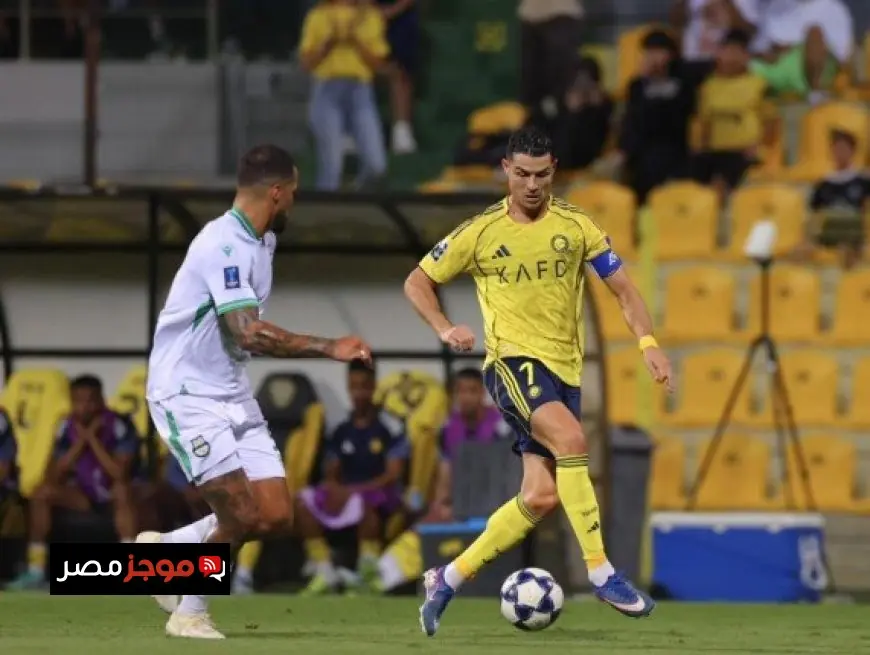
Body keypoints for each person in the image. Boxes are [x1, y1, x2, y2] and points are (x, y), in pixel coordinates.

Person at [403, 126, 674, 636]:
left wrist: (648, 343)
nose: (531, 185)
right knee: (572, 439)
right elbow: (417, 282)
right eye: (522, 174)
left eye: (542, 175)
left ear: (555, 173)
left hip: (563, 372)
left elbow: (624, 291)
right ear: (506, 169)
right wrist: (444, 327)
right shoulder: (478, 233)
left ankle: (448, 576)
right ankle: (602, 572)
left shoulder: (577, 226)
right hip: (511, 364)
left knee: (541, 497)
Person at [139, 144, 373, 639]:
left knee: (273, 514)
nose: (294, 203)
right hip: (186, 394)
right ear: (276, 192)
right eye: (293, 194)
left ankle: (167, 550)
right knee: (239, 512)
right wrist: (329, 346)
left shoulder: (262, 241)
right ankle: (190, 612)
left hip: (230, 390)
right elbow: (247, 332)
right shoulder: (222, 245)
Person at [9, 375, 140, 590]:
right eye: (78, 401)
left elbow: (118, 474)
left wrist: (92, 440)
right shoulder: (65, 426)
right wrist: (81, 441)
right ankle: (35, 570)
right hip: (83, 494)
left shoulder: (120, 424)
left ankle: (131, 570)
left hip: (116, 494)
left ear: (101, 400)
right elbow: (54, 474)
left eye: (90, 400)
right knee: (41, 492)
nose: (84, 407)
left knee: (122, 490)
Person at [296, 358, 409, 594]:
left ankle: (365, 577)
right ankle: (325, 571)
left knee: (365, 503)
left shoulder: (390, 425)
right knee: (302, 500)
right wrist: (333, 486)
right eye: (353, 387)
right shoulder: (340, 428)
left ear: (374, 386)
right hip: (348, 493)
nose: (359, 393)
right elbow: (332, 471)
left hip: (377, 494)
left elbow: (392, 475)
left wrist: (351, 491)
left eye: (364, 386)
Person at [299, 0, 389, 190]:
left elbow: (379, 64)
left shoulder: (370, 16)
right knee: (331, 165)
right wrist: (329, 44)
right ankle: (323, 214)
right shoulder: (319, 15)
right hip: (327, 89)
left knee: (376, 164)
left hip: (361, 90)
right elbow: (306, 64)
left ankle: (358, 199)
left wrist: (355, 41)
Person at [692, 29, 774, 202]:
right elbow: (704, 124)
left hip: (744, 151)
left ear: (746, 56)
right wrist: (701, 148)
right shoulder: (709, 86)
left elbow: (771, 124)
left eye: (737, 52)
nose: (731, 58)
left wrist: (758, 147)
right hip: (715, 150)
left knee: (723, 176)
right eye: (727, 51)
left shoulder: (758, 85)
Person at [616, 30, 695, 203]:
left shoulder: (683, 86)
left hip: (673, 151)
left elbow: (674, 124)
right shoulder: (637, 86)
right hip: (639, 153)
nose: (653, 57)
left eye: (658, 52)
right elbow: (633, 122)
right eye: (649, 52)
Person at [426, 368, 512, 523]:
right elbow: (445, 471)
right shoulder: (448, 428)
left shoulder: (501, 427)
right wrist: (442, 503)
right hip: (461, 501)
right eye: (460, 391)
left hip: (496, 499)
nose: (465, 397)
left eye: (472, 391)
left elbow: (508, 472)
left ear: (482, 393)